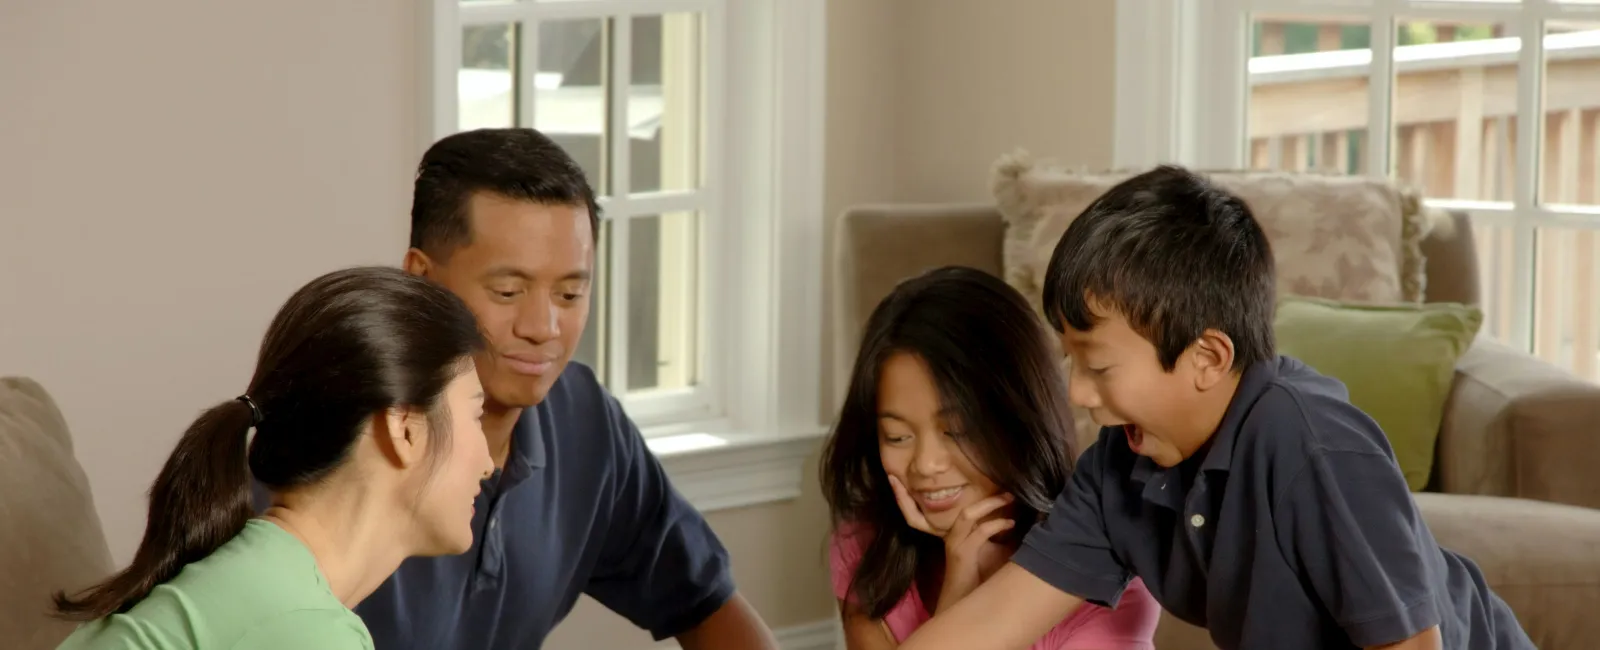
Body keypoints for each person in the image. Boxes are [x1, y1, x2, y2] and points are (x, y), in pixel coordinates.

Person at [893, 166, 1534, 650]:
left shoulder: (1312, 446)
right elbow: (992, 621)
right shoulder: (1119, 467)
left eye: (1099, 366)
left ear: (1207, 357)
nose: (1078, 394)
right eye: (1071, 362)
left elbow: (1410, 645)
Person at [353, 127, 777, 649]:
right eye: (508, 291)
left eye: (571, 293)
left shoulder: (582, 420)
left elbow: (705, 601)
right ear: (421, 280)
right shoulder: (340, 447)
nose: (544, 326)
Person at [52, 266, 496, 650]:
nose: (489, 462)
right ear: (404, 430)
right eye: (476, 414)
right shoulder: (303, 626)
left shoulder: (263, 584)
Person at [821, 266, 1160, 650]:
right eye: (897, 436)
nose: (925, 465)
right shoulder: (867, 549)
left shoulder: (1103, 576)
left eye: (958, 432)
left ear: (1020, 420)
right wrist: (956, 590)